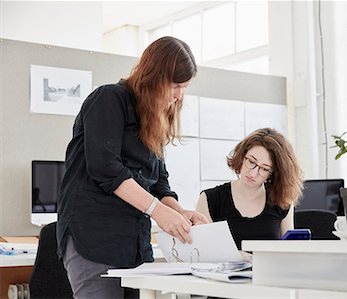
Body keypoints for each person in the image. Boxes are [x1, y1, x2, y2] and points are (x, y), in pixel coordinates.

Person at [56, 36, 208, 299]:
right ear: (154, 76)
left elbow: (158, 182)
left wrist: (179, 213)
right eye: (175, 85)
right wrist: (158, 211)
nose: (178, 95)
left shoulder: (153, 118)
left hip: (133, 244)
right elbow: (106, 168)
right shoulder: (109, 99)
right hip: (94, 239)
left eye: (184, 87)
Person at [196, 128, 303, 250]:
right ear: (242, 156)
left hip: (269, 268)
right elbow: (201, 252)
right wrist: (236, 257)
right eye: (251, 161)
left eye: (264, 169)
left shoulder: (282, 200)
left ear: (273, 173)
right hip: (226, 269)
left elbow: (289, 253)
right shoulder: (210, 199)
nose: (253, 173)